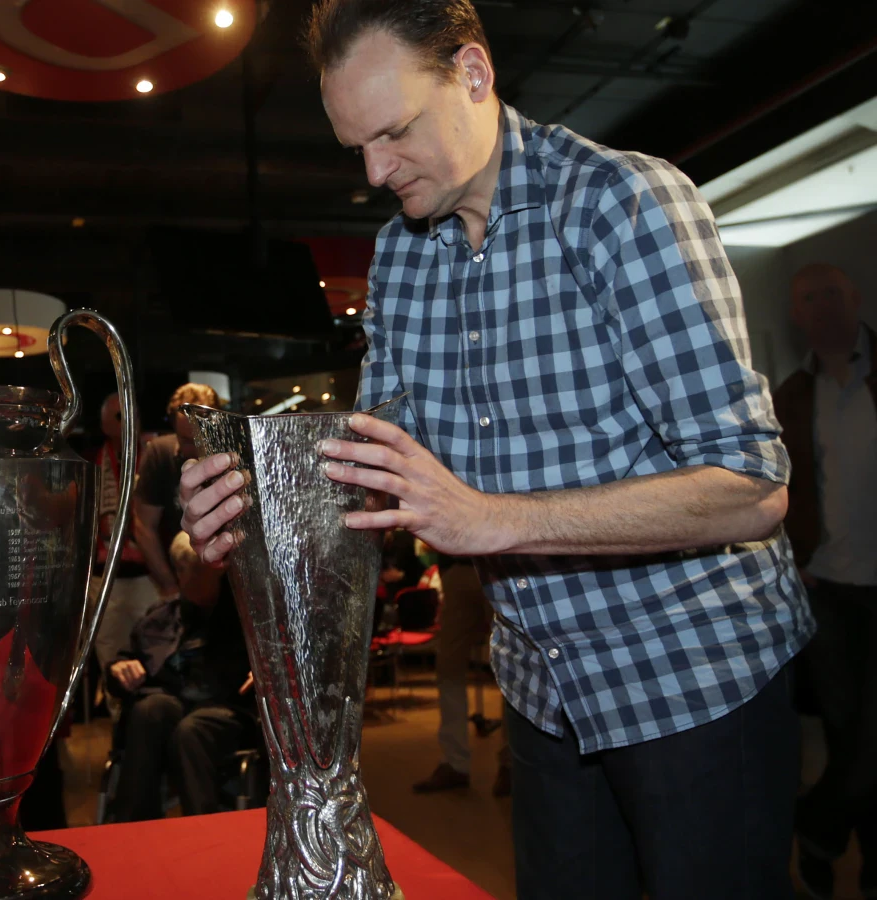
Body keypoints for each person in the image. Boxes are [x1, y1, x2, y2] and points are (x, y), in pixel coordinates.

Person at [179, 3, 813, 898]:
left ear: (472, 76)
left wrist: (487, 519)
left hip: (693, 680)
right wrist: (247, 508)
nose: (374, 171)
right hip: (544, 691)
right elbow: (366, 470)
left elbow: (753, 485)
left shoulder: (621, 203)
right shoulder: (401, 258)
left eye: (393, 132)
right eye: (354, 146)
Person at [774, 263, 877, 899]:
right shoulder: (790, 396)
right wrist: (796, 560)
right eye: (809, 299)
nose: (822, 307)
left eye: (831, 294)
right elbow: (774, 490)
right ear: (797, 315)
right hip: (830, 589)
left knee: (870, 738)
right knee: (850, 733)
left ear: (856, 299)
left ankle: (816, 827)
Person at [106, 530, 254, 822]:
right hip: (167, 702)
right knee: (151, 710)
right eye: (193, 568)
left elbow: (278, 661)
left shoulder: (245, 619)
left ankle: (203, 826)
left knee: (192, 730)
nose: (205, 576)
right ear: (180, 571)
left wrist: (265, 673)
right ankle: (134, 825)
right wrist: (118, 670)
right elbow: (124, 662)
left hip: (224, 708)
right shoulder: (158, 618)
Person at [413, 551, 511, 797]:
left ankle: (512, 763)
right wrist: (448, 570)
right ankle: (454, 763)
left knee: (512, 669)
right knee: (448, 666)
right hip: (461, 565)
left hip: (503, 564)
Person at [89, 392, 155, 715]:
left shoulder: (153, 454)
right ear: (103, 424)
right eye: (118, 416)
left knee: (153, 658)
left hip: (148, 577)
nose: (128, 421)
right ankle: (120, 732)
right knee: (111, 660)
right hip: (107, 582)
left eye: (132, 413)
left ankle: (146, 724)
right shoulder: (93, 460)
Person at [133, 384, 221, 607]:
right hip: (177, 580)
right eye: (185, 439)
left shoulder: (230, 455)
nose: (192, 449)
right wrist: (169, 584)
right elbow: (143, 526)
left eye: (200, 439)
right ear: (173, 426)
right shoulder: (159, 453)